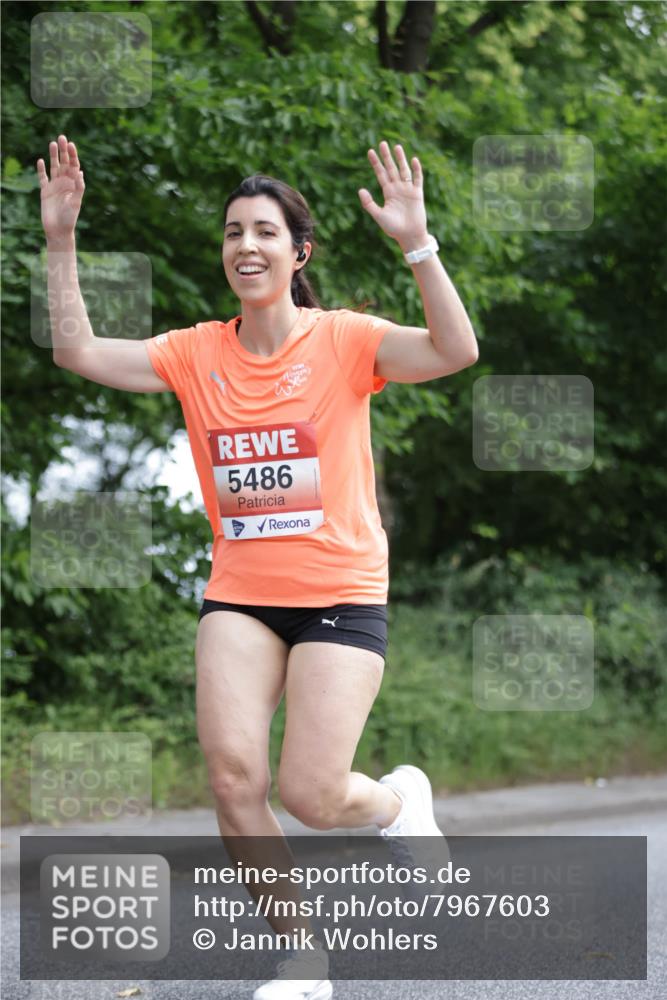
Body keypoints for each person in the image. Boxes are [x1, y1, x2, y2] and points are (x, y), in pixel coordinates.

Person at [37, 134, 479, 1000]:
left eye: (266, 231)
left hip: (340, 593)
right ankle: (303, 961)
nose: (246, 244)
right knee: (234, 779)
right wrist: (60, 240)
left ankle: (396, 804)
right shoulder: (196, 352)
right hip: (240, 596)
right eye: (234, 230)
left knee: (313, 796)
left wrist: (416, 244)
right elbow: (77, 352)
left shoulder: (345, 340)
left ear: (297, 252)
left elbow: (453, 349)